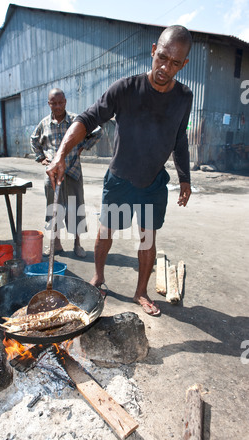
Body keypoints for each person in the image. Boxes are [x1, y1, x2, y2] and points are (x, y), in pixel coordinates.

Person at [46, 26, 193, 315]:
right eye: (162, 57)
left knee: (148, 238)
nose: (165, 67)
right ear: (153, 50)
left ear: (184, 64)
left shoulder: (184, 97)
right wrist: (60, 154)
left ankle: (141, 291)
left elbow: (180, 137)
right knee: (106, 232)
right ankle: (99, 276)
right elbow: (87, 119)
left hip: (152, 182)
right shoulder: (125, 89)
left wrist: (185, 177)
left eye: (175, 63)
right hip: (120, 179)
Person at [31, 88, 102, 258]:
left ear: (65, 102)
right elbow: (34, 140)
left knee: (75, 208)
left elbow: (97, 131)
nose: (57, 106)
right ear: (49, 103)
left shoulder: (75, 120)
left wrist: (83, 147)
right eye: (53, 103)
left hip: (73, 171)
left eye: (60, 102)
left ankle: (77, 244)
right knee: (53, 209)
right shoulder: (44, 123)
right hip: (52, 175)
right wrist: (41, 158)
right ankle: (56, 244)